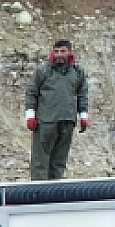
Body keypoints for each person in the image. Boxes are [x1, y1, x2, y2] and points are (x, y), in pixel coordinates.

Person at [24, 39, 90, 181]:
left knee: (59, 161)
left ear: (69, 52)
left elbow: (82, 94)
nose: (59, 54)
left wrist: (83, 115)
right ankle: (39, 193)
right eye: (56, 51)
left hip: (67, 121)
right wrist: (30, 115)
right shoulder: (43, 71)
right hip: (46, 121)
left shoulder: (77, 72)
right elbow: (32, 92)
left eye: (63, 51)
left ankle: (54, 192)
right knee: (40, 161)